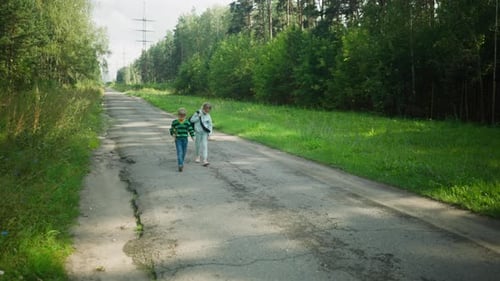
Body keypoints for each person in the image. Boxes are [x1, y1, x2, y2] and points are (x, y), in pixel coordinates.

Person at [170, 108, 195, 172]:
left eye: (183, 116)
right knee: (180, 152)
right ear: (178, 115)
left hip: (185, 139)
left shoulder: (187, 122)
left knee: (184, 152)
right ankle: (180, 165)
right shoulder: (175, 122)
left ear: (185, 116)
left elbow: (190, 129)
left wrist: (193, 136)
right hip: (178, 139)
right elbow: (172, 129)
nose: (182, 117)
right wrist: (173, 134)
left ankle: (181, 162)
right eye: (180, 116)